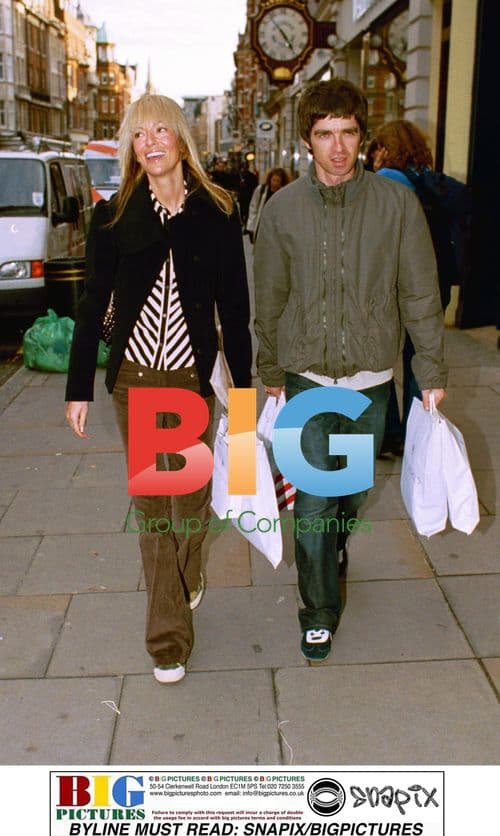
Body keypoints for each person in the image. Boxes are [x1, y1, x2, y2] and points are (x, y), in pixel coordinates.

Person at [254, 79, 446, 663]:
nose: (337, 147)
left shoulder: (396, 206)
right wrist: (269, 367)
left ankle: (334, 548)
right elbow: (269, 297)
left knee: (351, 496)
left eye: (347, 133)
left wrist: (431, 370)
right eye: (323, 135)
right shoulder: (283, 210)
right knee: (314, 500)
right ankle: (317, 610)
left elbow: (419, 294)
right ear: (307, 141)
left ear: (361, 136)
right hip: (308, 376)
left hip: (369, 380)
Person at [65, 94, 252, 685]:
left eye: (160, 131)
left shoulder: (217, 210)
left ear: (180, 139)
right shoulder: (115, 215)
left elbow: (235, 308)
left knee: (190, 499)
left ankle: (188, 572)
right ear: (131, 146)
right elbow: (93, 302)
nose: (149, 141)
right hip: (138, 380)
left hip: (193, 377)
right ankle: (167, 640)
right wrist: (78, 388)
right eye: (137, 133)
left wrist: (243, 394)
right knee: (153, 508)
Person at [373, 119, 449, 453]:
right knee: (420, 360)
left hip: (394, 283)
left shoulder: (386, 180)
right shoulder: (431, 182)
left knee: (380, 357)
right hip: (433, 282)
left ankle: (390, 432)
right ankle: (418, 435)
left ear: (386, 149)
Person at [246, 167, 289, 243]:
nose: (275, 183)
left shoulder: (285, 193)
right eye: (273, 180)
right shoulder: (261, 190)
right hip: (261, 226)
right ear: (270, 179)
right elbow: (253, 208)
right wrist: (251, 227)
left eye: (278, 181)